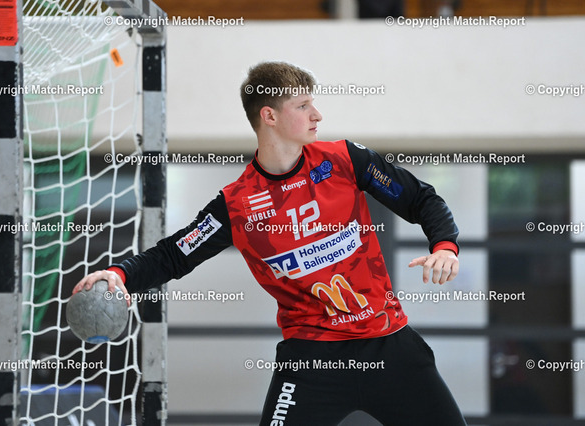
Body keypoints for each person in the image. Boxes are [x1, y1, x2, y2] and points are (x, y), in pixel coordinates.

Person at [73, 61, 466, 425]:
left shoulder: (345, 159)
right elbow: (174, 255)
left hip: (389, 347)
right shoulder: (237, 204)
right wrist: (121, 273)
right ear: (270, 116)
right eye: (303, 105)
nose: (317, 115)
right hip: (311, 361)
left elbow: (421, 199)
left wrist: (445, 246)